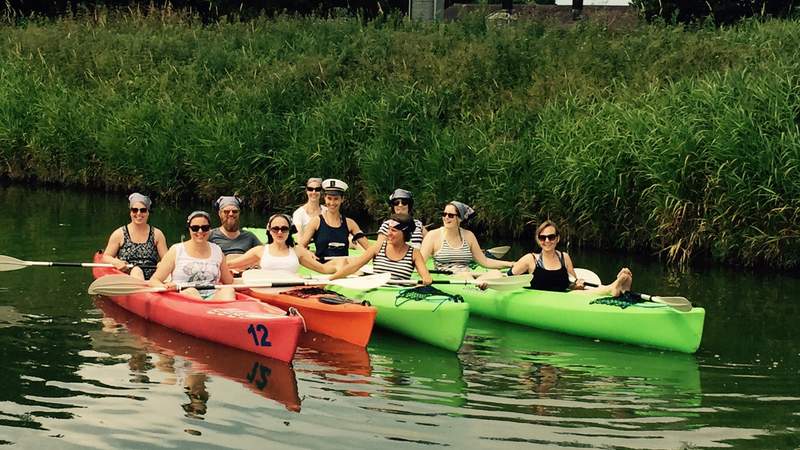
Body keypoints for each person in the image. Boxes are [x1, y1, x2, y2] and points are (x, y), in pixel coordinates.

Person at [509, 220, 633, 296]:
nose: (547, 241)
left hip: (566, 298)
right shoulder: (530, 259)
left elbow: (572, 284)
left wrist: (577, 285)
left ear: (557, 238)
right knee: (583, 295)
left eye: (551, 237)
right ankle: (613, 287)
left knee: (580, 293)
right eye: (542, 237)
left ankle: (620, 290)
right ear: (538, 239)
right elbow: (508, 278)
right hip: (542, 300)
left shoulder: (564, 257)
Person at [149, 211, 235, 301]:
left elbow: (228, 281)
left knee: (228, 290)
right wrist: (165, 287)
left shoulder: (217, 250)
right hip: (184, 297)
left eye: (205, 228)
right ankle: (203, 310)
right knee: (191, 291)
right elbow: (154, 280)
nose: (200, 231)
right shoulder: (176, 250)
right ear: (189, 229)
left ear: (210, 229)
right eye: (195, 228)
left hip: (213, 297)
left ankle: (217, 311)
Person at [330, 213, 432, 284]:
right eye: (389, 229)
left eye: (394, 230)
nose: (389, 233)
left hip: (399, 293)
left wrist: (426, 280)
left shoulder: (414, 253)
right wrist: (331, 278)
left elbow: (426, 276)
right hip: (378, 290)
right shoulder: (378, 247)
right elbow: (354, 266)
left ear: (405, 233)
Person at [420, 201, 513, 277]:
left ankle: (479, 286)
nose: (446, 218)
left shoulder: (469, 236)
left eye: (451, 215)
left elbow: (485, 261)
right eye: (444, 214)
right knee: (465, 275)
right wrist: (425, 276)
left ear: (460, 218)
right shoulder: (433, 235)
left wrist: (510, 264)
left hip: (468, 275)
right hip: (447, 278)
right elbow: (420, 262)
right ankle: (477, 287)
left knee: (496, 273)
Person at [227, 214, 334, 276]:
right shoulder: (259, 251)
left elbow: (323, 269)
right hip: (267, 292)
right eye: (275, 229)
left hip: (292, 293)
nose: (279, 232)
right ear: (269, 230)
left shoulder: (298, 251)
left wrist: (346, 268)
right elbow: (230, 264)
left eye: (284, 229)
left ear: (289, 231)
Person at [297, 178, 370, 261]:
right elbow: (300, 246)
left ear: (342, 199)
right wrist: (308, 253)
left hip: (343, 269)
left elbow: (368, 247)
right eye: (329, 198)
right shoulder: (316, 222)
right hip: (321, 268)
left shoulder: (350, 223)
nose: (332, 203)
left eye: (336, 199)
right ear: (324, 198)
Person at [101, 193, 168, 280]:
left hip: (153, 278)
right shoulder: (119, 234)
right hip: (128, 276)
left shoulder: (157, 234)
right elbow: (106, 257)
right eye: (135, 210)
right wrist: (115, 261)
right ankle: (142, 290)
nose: (139, 214)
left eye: (143, 210)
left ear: (148, 212)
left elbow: (167, 259)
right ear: (130, 212)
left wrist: (162, 264)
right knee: (136, 270)